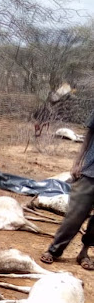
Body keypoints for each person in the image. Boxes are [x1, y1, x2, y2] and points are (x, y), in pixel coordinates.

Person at [41, 109, 94, 270]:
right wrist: (78, 162)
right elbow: (89, 135)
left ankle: (84, 253)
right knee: (75, 215)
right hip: (91, 172)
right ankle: (54, 250)